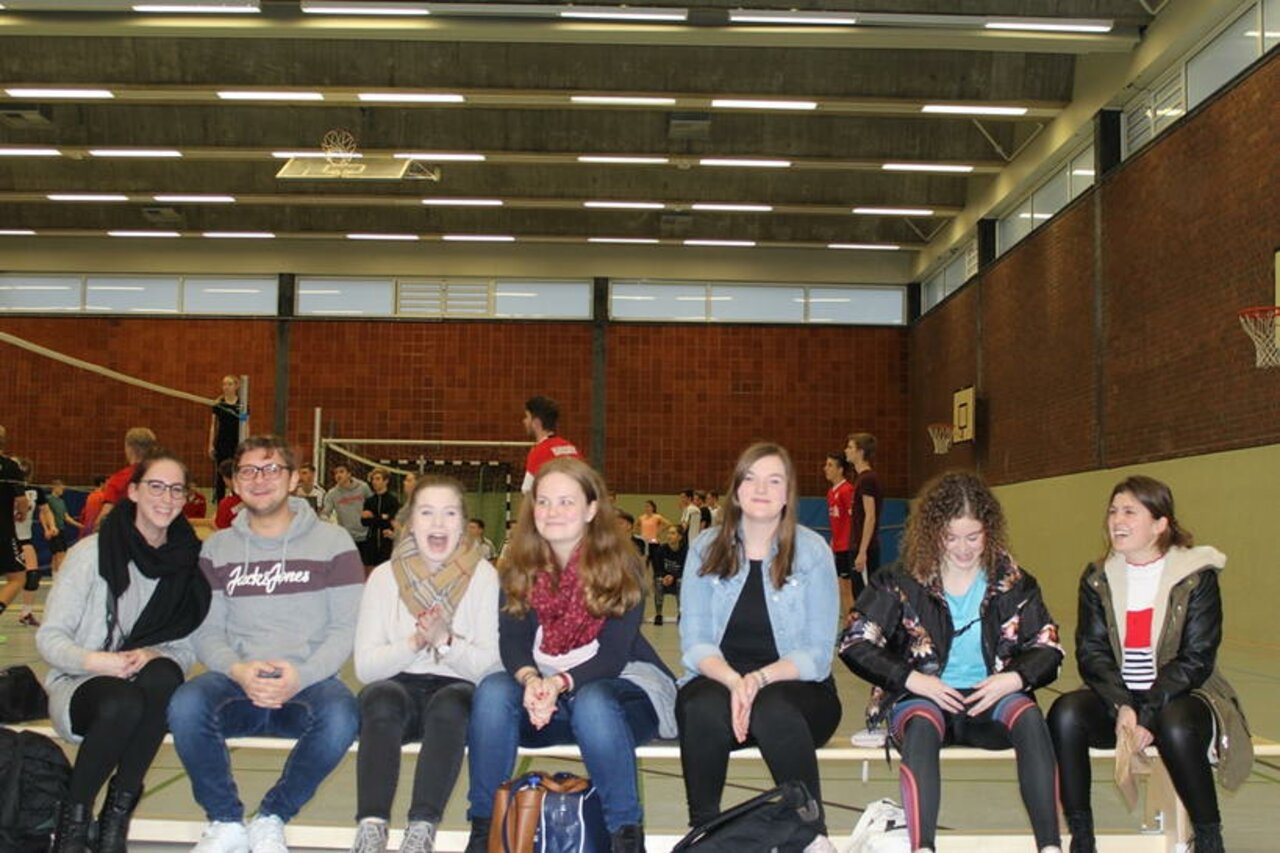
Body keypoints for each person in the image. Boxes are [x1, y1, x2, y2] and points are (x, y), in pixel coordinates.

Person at [839, 471, 1063, 853]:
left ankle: (1051, 846)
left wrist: (1014, 679)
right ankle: (923, 847)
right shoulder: (899, 579)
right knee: (923, 725)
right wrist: (911, 679)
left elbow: (1048, 646)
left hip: (988, 699)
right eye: (951, 537)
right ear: (932, 532)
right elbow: (854, 641)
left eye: (973, 537)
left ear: (989, 532)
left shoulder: (1015, 582)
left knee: (1029, 716)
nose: (962, 548)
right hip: (923, 699)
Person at [464, 458, 675, 853]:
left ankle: (626, 838)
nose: (552, 512)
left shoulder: (622, 567)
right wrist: (530, 681)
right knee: (493, 691)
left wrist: (557, 683)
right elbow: (512, 642)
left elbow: (612, 656)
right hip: (545, 700)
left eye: (566, 502)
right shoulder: (517, 568)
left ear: (592, 509)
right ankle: (484, 833)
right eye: (543, 502)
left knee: (593, 701)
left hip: (619, 694)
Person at [168, 435, 363, 853]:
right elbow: (206, 630)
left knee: (343, 715)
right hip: (236, 683)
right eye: (248, 471)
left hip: (307, 683)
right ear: (235, 483)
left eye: (272, 468)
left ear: (294, 480)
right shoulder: (216, 549)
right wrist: (238, 670)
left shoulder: (334, 544)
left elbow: (346, 629)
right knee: (185, 704)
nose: (260, 479)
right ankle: (225, 821)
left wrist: (302, 675)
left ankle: (272, 816)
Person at [1047, 476, 1251, 853]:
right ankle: (1081, 837)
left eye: (1129, 512)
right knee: (1064, 713)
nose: (1116, 521)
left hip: (1183, 696)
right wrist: (1122, 703)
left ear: (1160, 524)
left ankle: (1208, 837)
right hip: (1120, 699)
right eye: (1112, 511)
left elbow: (1196, 658)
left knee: (1174, 726)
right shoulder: (1097, 579)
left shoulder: (1196, 576)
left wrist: (1148, 711)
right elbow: (1091, 652)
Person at [37, 450, 211, 853]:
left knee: (165, 675)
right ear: (133, 491)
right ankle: (74, 823)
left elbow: (185, 648)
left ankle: (116, 817)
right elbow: (51, 639)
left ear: (186, 499)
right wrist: (96, 661)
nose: (166, 498)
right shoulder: (91, 554)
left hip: (140, 680)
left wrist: (152, 654)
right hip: (80, 680)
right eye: (155, 486)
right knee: (123, 701)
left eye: (176, 489)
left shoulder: (187, 564)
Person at [677, 443, 842, 837]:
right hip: (722, 694)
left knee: (772, 708)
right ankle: (705, 832)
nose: (761, 488)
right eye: (750, 478)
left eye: (774, 480)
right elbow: (695, 642)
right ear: (736, 491)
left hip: (798, 694)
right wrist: (736, 681)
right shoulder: (705, 548)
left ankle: (810, 837)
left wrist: (758, 680)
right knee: (699, 704)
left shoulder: (813, 552)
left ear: (788, 493)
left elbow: (817, 656)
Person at [350, 475, 502, 853]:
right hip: (397, 684)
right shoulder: (384, 578)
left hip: (455, 685)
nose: (437, 524)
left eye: (449, 513)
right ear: (409, 522)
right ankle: (371, 827)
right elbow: (366, 669)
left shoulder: (484, 576)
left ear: (464, 524)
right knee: (380, 696)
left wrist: (445, 641)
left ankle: (422, 829)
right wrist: (416, 641)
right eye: (427, 512)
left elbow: (489, 665)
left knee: (452, 706)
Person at [98, 427, 158, 530]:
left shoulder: (119, 479)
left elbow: (105, 516)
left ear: (128, 448)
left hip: (126, 537)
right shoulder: (164, 477)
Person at [520, 395, 581, 494]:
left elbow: (527, 491)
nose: (524, 421)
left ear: (536, 423)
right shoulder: (571, 448)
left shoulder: (539, 451)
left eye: (527, 417)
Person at [844, 432, 882, 585]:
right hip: (857, 545)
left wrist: (862, 551)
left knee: (865, 599)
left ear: (860, 452)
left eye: (850, 447)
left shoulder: (867, 479)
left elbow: (870, 516)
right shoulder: (860, 479)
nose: (846, 450)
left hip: (864, 548)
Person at [824, 452, 856, 612]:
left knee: (848, 588)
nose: (825, 468)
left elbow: (854, 519)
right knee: (841, 588)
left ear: (840, 470)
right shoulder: (831, 493)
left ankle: (852, 627)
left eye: (830, 465)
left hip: (847, 547)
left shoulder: (847, 490)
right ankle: (846, 624)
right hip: (837, 546)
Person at [209, 375, 246, 504]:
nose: (226, 387)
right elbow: (213, 425)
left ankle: (237, 503)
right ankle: (220, 507)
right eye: (224, 384)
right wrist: (211, 445)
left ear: (236, 386)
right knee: (220, 476)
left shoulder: (242, 405)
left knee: (236, 473)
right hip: (222, 443)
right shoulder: (219, 404)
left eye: (230, 384)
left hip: (237, 443)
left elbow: (246, 425)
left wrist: (245, 446)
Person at [322, 463, 373, 546]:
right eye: (336, 473)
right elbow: (325, 513)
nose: (338, 475)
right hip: (345, 538)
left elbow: (373, 505)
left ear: (349, 474)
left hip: (366, 535)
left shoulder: (363, 487)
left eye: (341, 472)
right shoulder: (332, 494)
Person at [360, 468, 400, 569]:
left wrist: (373, 517)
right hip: (371, 541)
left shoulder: (392, 500)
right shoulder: (370, 501)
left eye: (378, 479)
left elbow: (390, 521)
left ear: (386, 481)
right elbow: (364, 521)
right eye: (373, 479)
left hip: (387, 542)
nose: (374, 482)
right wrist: (381, 517)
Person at [650, 524, 685, 627]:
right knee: (658, 581)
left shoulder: (686, 550)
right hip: (665, 579)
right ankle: (659, 614)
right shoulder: (661, 549)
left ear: (680, 537)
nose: (669, 536)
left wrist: (673, 576)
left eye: (673, 533)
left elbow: (686, 569)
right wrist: (664, 576)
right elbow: (657, 568)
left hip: (678, 579)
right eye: (668, 533)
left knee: (681, 582)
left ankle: (681, 614)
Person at [47, 477, 75, 573]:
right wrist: (50, 528)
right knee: (58, 554)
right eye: (62, 488)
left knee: (58, 554)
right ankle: (59, 576)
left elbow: (67, 518)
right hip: (54, 530)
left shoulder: (61, 501)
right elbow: (45, 514)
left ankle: (55, 577)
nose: (63, 490)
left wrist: (82, 526)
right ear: (55, 487)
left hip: (61, 530)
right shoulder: (48, 499)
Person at [212, 459, 241, 530]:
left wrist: (213, 522)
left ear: (226, 479)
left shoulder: (226, 504)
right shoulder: (259, 497)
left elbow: (220, 530)